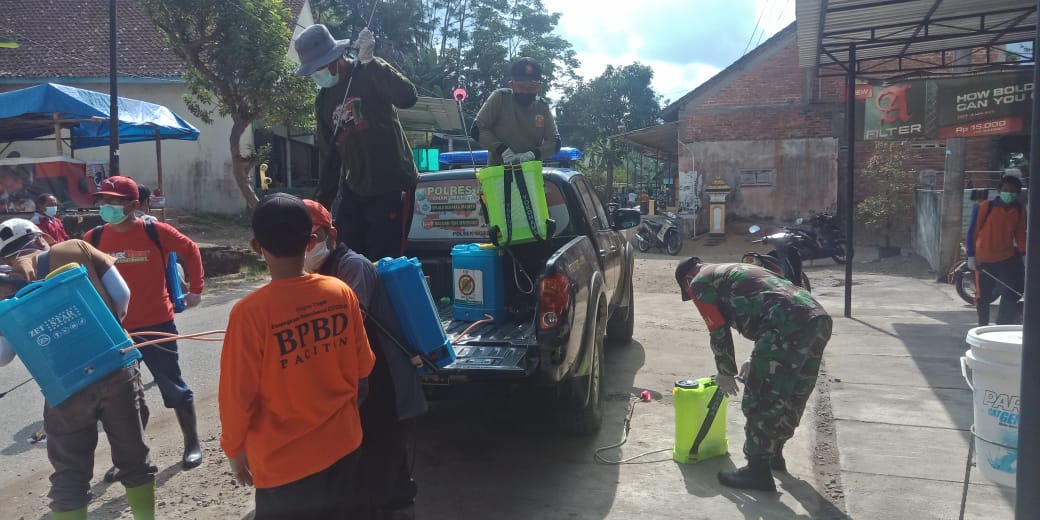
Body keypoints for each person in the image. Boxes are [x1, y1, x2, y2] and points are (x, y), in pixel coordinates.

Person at [219, 193, 375, 519]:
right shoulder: (339, 292)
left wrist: (234, 450)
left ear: (255, 246)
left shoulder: (249, 314)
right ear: (310, 243)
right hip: (344, 448)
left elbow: (236, 397)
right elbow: (363, 369)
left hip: (284, 466)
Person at [0, 219, 156, 519]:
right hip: (116, 366)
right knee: (133, 455)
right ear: (43, 237)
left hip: (65, 386)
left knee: (70, 474)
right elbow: (122, 295)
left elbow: (4, 356)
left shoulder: (6, 286)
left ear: (5, 258)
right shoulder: (75, 247)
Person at [303, 199, 426, 520]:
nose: (306, 248)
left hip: (382, 376)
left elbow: (344, 327)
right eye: (299, 241)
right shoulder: (317, 272)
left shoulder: (351, 266)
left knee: (385, 453)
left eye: (311, 239)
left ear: (331, 235)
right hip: (358, 379)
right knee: (366, 460)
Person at [674, 257, 831, 492]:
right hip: (816, 318)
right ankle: (774, 453)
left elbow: (717, 329)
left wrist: (725, 371)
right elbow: (772, 300)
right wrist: (754, 356)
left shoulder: (698, 282)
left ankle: (757, 471)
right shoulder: (741, 268)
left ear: (687, 279)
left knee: (760, 397)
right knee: (792, 392)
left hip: (783, 324)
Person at [83, 176, 206, 474]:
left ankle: (192, 443)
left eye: (114, 201)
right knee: (122, 398)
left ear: (133, 205)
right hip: (115, 331)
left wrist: (196, 290)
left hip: (157, 323)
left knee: (172, 385)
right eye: (104, 201)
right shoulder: (94, 239)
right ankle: (128, 459)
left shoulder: (154, 231)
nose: (107, 206)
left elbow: (190, 249)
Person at [294, 23, 420, 261]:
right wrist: (318, 209)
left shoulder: (368, 73)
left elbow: (408, 97)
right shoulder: (323, 101)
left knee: (384, 261)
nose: (315, 75)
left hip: (392, 184)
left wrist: (372, 63)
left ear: (334, 58)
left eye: (317, 68)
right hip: (355, 188)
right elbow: (329, 158)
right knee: (347, 257)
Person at [470, 57, 562, 167]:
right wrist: (502, 150)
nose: (526, 91)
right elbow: (477, 129)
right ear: (512, 84)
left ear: (539, 87)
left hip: (531, 174)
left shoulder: (542, 107)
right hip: (499, 173)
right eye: (521, 86)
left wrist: (533, 154)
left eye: (531, 87)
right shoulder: (500, 98)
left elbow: (555, 142)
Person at [965, 174, 1027, 326]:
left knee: (1013, 291)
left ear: (1018, 193)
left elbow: (1020, 234)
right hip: (984, 259)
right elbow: (973, 231)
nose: (1009, 194)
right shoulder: (985, 207)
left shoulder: (1019, 210)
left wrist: (1025, 253)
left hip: (1006, 257)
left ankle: (1002, 324)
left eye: (1013, 191)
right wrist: (971, 256)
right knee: (983, 296)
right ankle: (982, 327)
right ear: (999, 190)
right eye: (1006, 190)